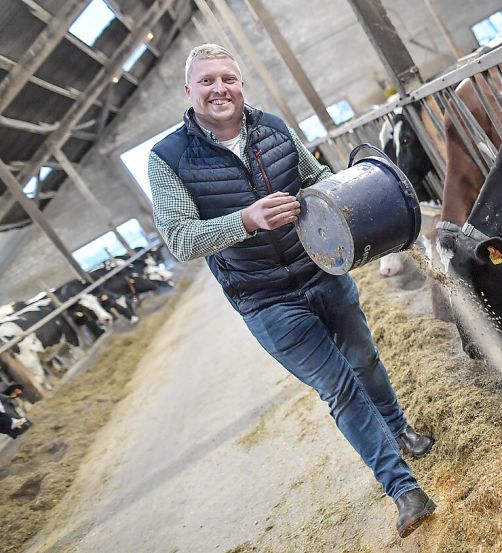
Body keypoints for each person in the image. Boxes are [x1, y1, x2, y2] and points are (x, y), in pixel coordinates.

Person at [148, 44, 436, 538]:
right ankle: (403, 489)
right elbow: (179, 238)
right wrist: (244, 220)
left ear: (241, 84)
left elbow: (317, 178)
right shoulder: (168, 158)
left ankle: (399, 429)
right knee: (339, 388)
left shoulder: (274, 128)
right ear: (189, 91)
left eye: (228, 79)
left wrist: (345, 205)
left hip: (320, 269)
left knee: (364, 358)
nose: (220, 89)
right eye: (208, 81)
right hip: (264, 300)